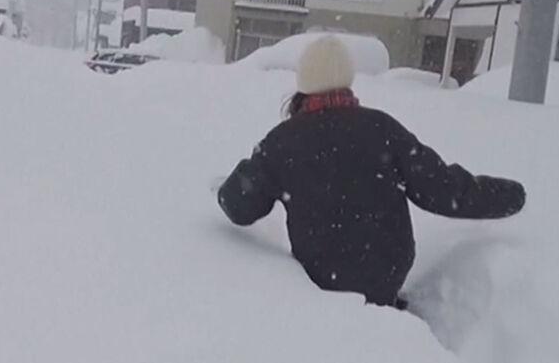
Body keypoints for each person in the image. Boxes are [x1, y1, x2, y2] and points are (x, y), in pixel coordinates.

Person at [217, 36, 526, 309]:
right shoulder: (382, 129)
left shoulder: (282, 142)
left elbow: (239, 207)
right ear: (347, 80)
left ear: (303, 83)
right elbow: (444, 191)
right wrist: (510, 196)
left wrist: (246, 174)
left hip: (319, 277)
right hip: (386, 274)